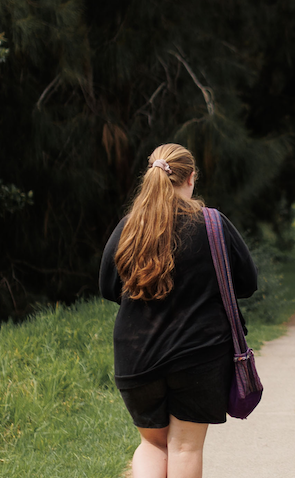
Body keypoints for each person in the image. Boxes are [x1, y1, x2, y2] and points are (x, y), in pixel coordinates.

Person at [100, 144, 257, 478]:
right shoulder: (213, 224)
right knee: (185, 447)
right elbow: (246, 283)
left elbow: (107, 286)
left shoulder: (130, 226)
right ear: (191, 178)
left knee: (152, 445)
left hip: (137, 354)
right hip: (200, 356)